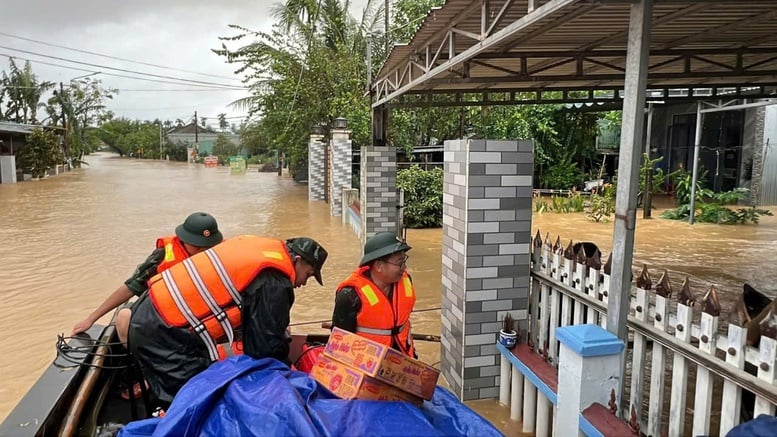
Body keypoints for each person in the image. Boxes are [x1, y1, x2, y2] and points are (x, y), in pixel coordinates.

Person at [126, 234, 328, 403]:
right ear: (298, 260)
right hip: (164, 333)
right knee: (199, 400)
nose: (303, 283)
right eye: (308, 275)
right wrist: (288, 379)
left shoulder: (258, 247)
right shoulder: (274, 281)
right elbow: (265, 349)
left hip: (150, 314)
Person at [71, 212, 223, 337]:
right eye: (196, 246)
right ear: (183, 240)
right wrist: (91, 318)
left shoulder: (220, 255)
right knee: (124, 317)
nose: (201, 251)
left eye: (206, 246)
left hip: (201, 316)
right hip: (165, 314)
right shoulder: (162, 255)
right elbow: (131, 287)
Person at [331, 232, 417, 358]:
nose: (404, 267)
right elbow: (340, 342)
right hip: (367, 362)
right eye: (399, 263)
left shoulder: (406, 280)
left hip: (402, 357)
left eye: (404, 260)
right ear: (379, 266)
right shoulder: (350, 295)